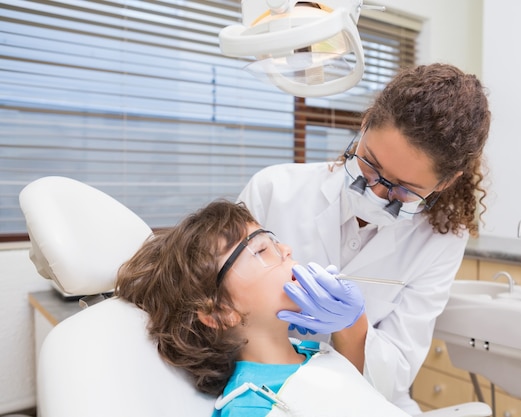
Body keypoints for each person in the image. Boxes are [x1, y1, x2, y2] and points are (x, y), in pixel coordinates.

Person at [237, 63, 492, 415]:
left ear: (445, 183)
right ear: (365, 122)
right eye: (369, 165)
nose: (373, 191)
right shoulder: (273, 190)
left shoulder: (441, 238)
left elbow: (396, 371)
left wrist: (353, 327)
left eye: (402, 189)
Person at [114, 200, 411, 417]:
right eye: (260, 250)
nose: (286, 250)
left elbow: (358, 396)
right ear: (219, 311)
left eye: (273, 241)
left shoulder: (310, 351)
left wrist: (353, 321)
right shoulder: (250, 405)